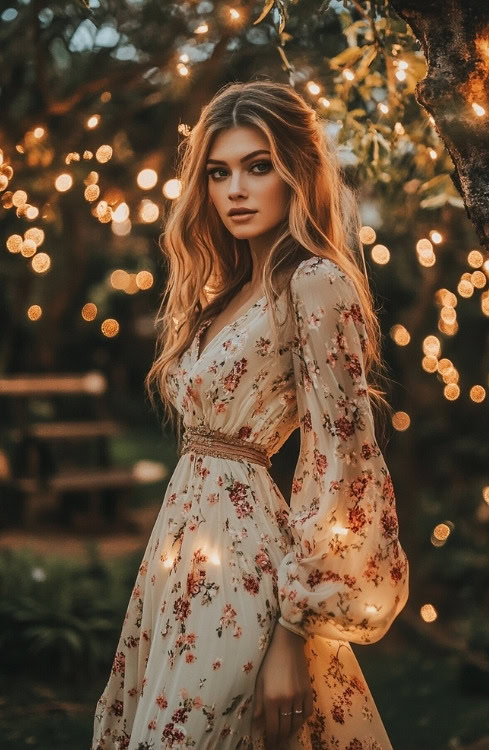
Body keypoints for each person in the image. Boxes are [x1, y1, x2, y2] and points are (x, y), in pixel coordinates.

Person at [91, 79, 409, 750]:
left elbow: (343, 461)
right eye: (219, 172)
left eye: (257, 166)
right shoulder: (226, 290)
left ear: (295, 173)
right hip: (182, 556)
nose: (236, 188)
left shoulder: (315, 282)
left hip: (247, 567)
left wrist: (293, 634)